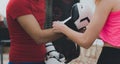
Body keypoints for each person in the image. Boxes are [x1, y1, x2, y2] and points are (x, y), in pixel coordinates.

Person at [53, 0, 120, 64]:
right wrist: (89, 33)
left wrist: (62, 27)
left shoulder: (106, 2)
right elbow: (115, 34)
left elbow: (85, 41)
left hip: (112, 56)